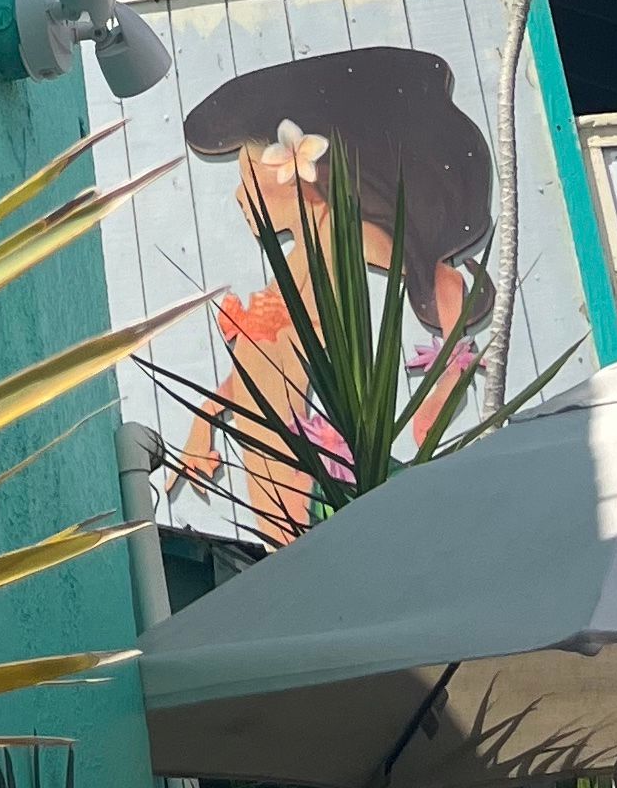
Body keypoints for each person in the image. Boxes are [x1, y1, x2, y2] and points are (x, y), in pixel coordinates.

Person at [172, 45, 495, 540]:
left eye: (251, 178)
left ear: (310, 177)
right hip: (277, 474)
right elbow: (258, 369)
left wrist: (444, 387)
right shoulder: (295, 269)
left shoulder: (354, 255)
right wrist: (203, 427)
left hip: (309, 484)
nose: (240, 196)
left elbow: (441, 289)